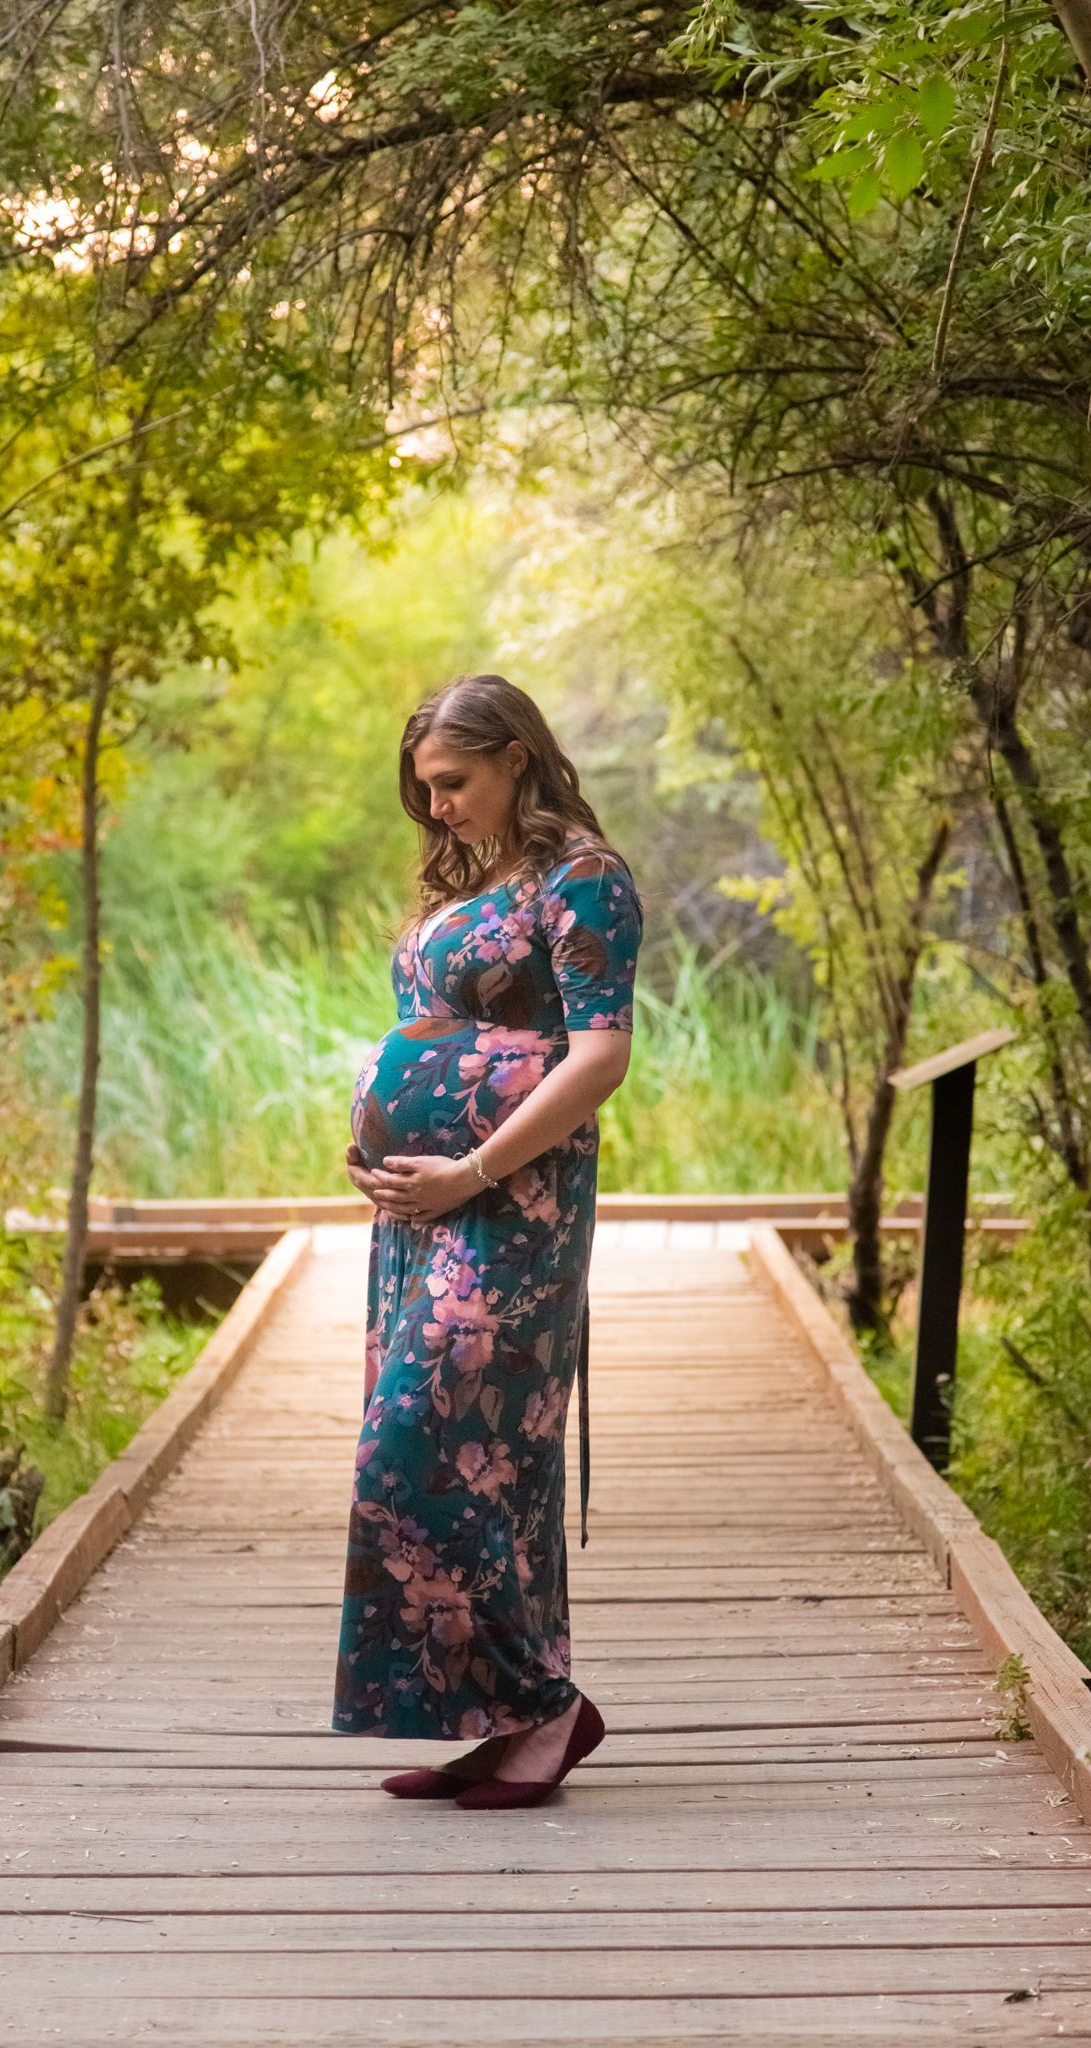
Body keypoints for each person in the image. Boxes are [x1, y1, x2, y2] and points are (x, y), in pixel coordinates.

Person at [331, 672, 644, 1810]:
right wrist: (375, 1138)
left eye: (454, 783)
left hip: (516, 1208)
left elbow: (599, 1055)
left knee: (423, 1448)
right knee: (487, 1464)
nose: (439, 807)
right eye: (426, 790)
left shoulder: (584, 879)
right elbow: (427, 1031)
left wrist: (468, 1164)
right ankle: (501, 1714)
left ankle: (546, 1707)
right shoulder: (477, 878)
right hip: (423, 1217)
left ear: (517, 755)